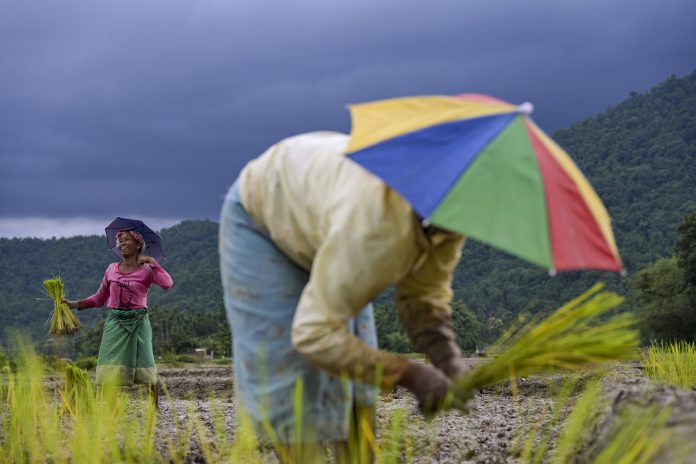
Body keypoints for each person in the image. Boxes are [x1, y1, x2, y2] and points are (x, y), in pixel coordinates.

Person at [219, 131, 470, 462]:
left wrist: (446, 355)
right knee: (286, 372)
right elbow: (314, 335)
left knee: (355, 373)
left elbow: (424, 296)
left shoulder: (448, 219)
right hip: (262, 217)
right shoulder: (371, 227)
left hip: (322, 208)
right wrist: (409, 374)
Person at [63, 229, 173, 404]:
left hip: (138, 321)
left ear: (139, 244)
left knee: (146, 363)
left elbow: (167, 284)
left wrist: (153, 262)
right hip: (115, 321)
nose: (121, 243)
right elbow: (99, 299)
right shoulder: (111, 269)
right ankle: (109, 408)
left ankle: (155, 409)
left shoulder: (147, 270)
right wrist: (74, 304)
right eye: (120, 240)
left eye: (126, 239)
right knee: (109, 363)